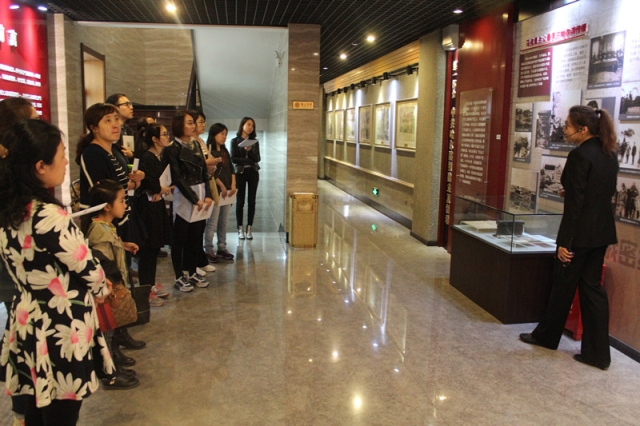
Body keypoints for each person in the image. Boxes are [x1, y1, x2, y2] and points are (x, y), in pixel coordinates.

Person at [0, 120, 114, 425]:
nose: (66, 162)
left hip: (27, 316)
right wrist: (102, 289)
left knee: (38, 401)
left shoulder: (10, 210)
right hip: (60, 323)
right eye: (62, 154)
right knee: (62, 409)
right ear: (40, 166)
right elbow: (86, 266)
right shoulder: (49, 216)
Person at [520, 106, 618, 370]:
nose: (564, 129)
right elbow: (600, 193)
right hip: (601, 232)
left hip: (579, 234)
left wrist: (564, 241)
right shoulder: (609, 153)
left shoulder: (579, 155)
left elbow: (575, 205)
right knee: (593, 291)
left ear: (583, 129)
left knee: (562, 286)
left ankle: (546, 337)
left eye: (567, 125)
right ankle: (598, 354)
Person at [76, 103, 147, 355]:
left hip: (118, 220)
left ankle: (121, 330)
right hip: (103, 223)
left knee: (121, 276)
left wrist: (134, 181)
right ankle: (110, 344)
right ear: (94, 127)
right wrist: (129, 184)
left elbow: (120, 186)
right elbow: (103, 192)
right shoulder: (92, 154)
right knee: (109, 280)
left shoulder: (114, 151)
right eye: (108, 120)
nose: (115, 124)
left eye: (116, 119)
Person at [0, 98, 41, 426]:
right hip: (11, 267)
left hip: (18, 265)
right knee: (21, 334)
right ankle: (23, 410)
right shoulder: (8, 174)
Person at [80, 180, 141, 390]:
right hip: (106, 289)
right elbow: (102, 261)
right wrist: (113, 284)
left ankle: (114, 363)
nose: (125, 205)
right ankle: (110, 373)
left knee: (111, 330)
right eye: (121, 200)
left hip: (109, 286)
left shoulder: (105, 226)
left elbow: (110, 248)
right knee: (106, 332)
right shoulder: (98, 230)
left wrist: (122, 245)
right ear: (107, 206)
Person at [163, 111, 215, 292]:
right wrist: (194, 199)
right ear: (179, 125)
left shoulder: (196, 144)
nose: (194, 126)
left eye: (194, 123)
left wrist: (208, 195)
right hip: (184, 196)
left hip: (201, 192)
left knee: (196, 236)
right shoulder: (172, 148)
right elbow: (177, 178)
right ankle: (179, 275)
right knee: (180, 238)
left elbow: (204, 173)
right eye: (190, 123)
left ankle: (192, 271)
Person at [136, 123, 174, 304]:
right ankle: (145, 290)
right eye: (164, 134)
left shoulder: (161, 157)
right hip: (148, 207)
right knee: (148, 250)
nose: (167, 137)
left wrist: (164, 189)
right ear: (155, 139)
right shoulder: (147, 157)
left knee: (154, 249)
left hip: (157, 205)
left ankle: (150, 285)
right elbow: (150, 183)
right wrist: (161, 189)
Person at [204, 123, 237, 262]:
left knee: (223, 221)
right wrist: (222, 186)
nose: (224, 137)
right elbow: (211, 172)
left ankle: (222, 247)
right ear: (214, 134)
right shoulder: (208, 150)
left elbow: (231, 169)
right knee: (213, 222)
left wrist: (233, 184)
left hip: (227, 192)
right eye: (221, 134)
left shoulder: (225, 151)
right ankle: (208, 249)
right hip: (216, 191)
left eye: (225, 134)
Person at [231, 117, 261, 240]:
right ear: (242, 125)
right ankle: (240, 228)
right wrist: (248, 160)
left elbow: (258, 158)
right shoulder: (234, 141)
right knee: (240, 201)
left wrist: (250, 150)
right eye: (248, 124)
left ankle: (249, 228)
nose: (250, 127)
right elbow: (233, 158)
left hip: (253, 172)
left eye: (252, 126)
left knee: (252, 201)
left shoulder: (254, 142)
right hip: (240, 173)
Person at [105, 93, 135, 160]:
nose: (131, 107)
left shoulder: (128, 130)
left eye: (130, 104)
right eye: (126, 104)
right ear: (115, 107)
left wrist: (131, 155)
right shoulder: (109, 130)